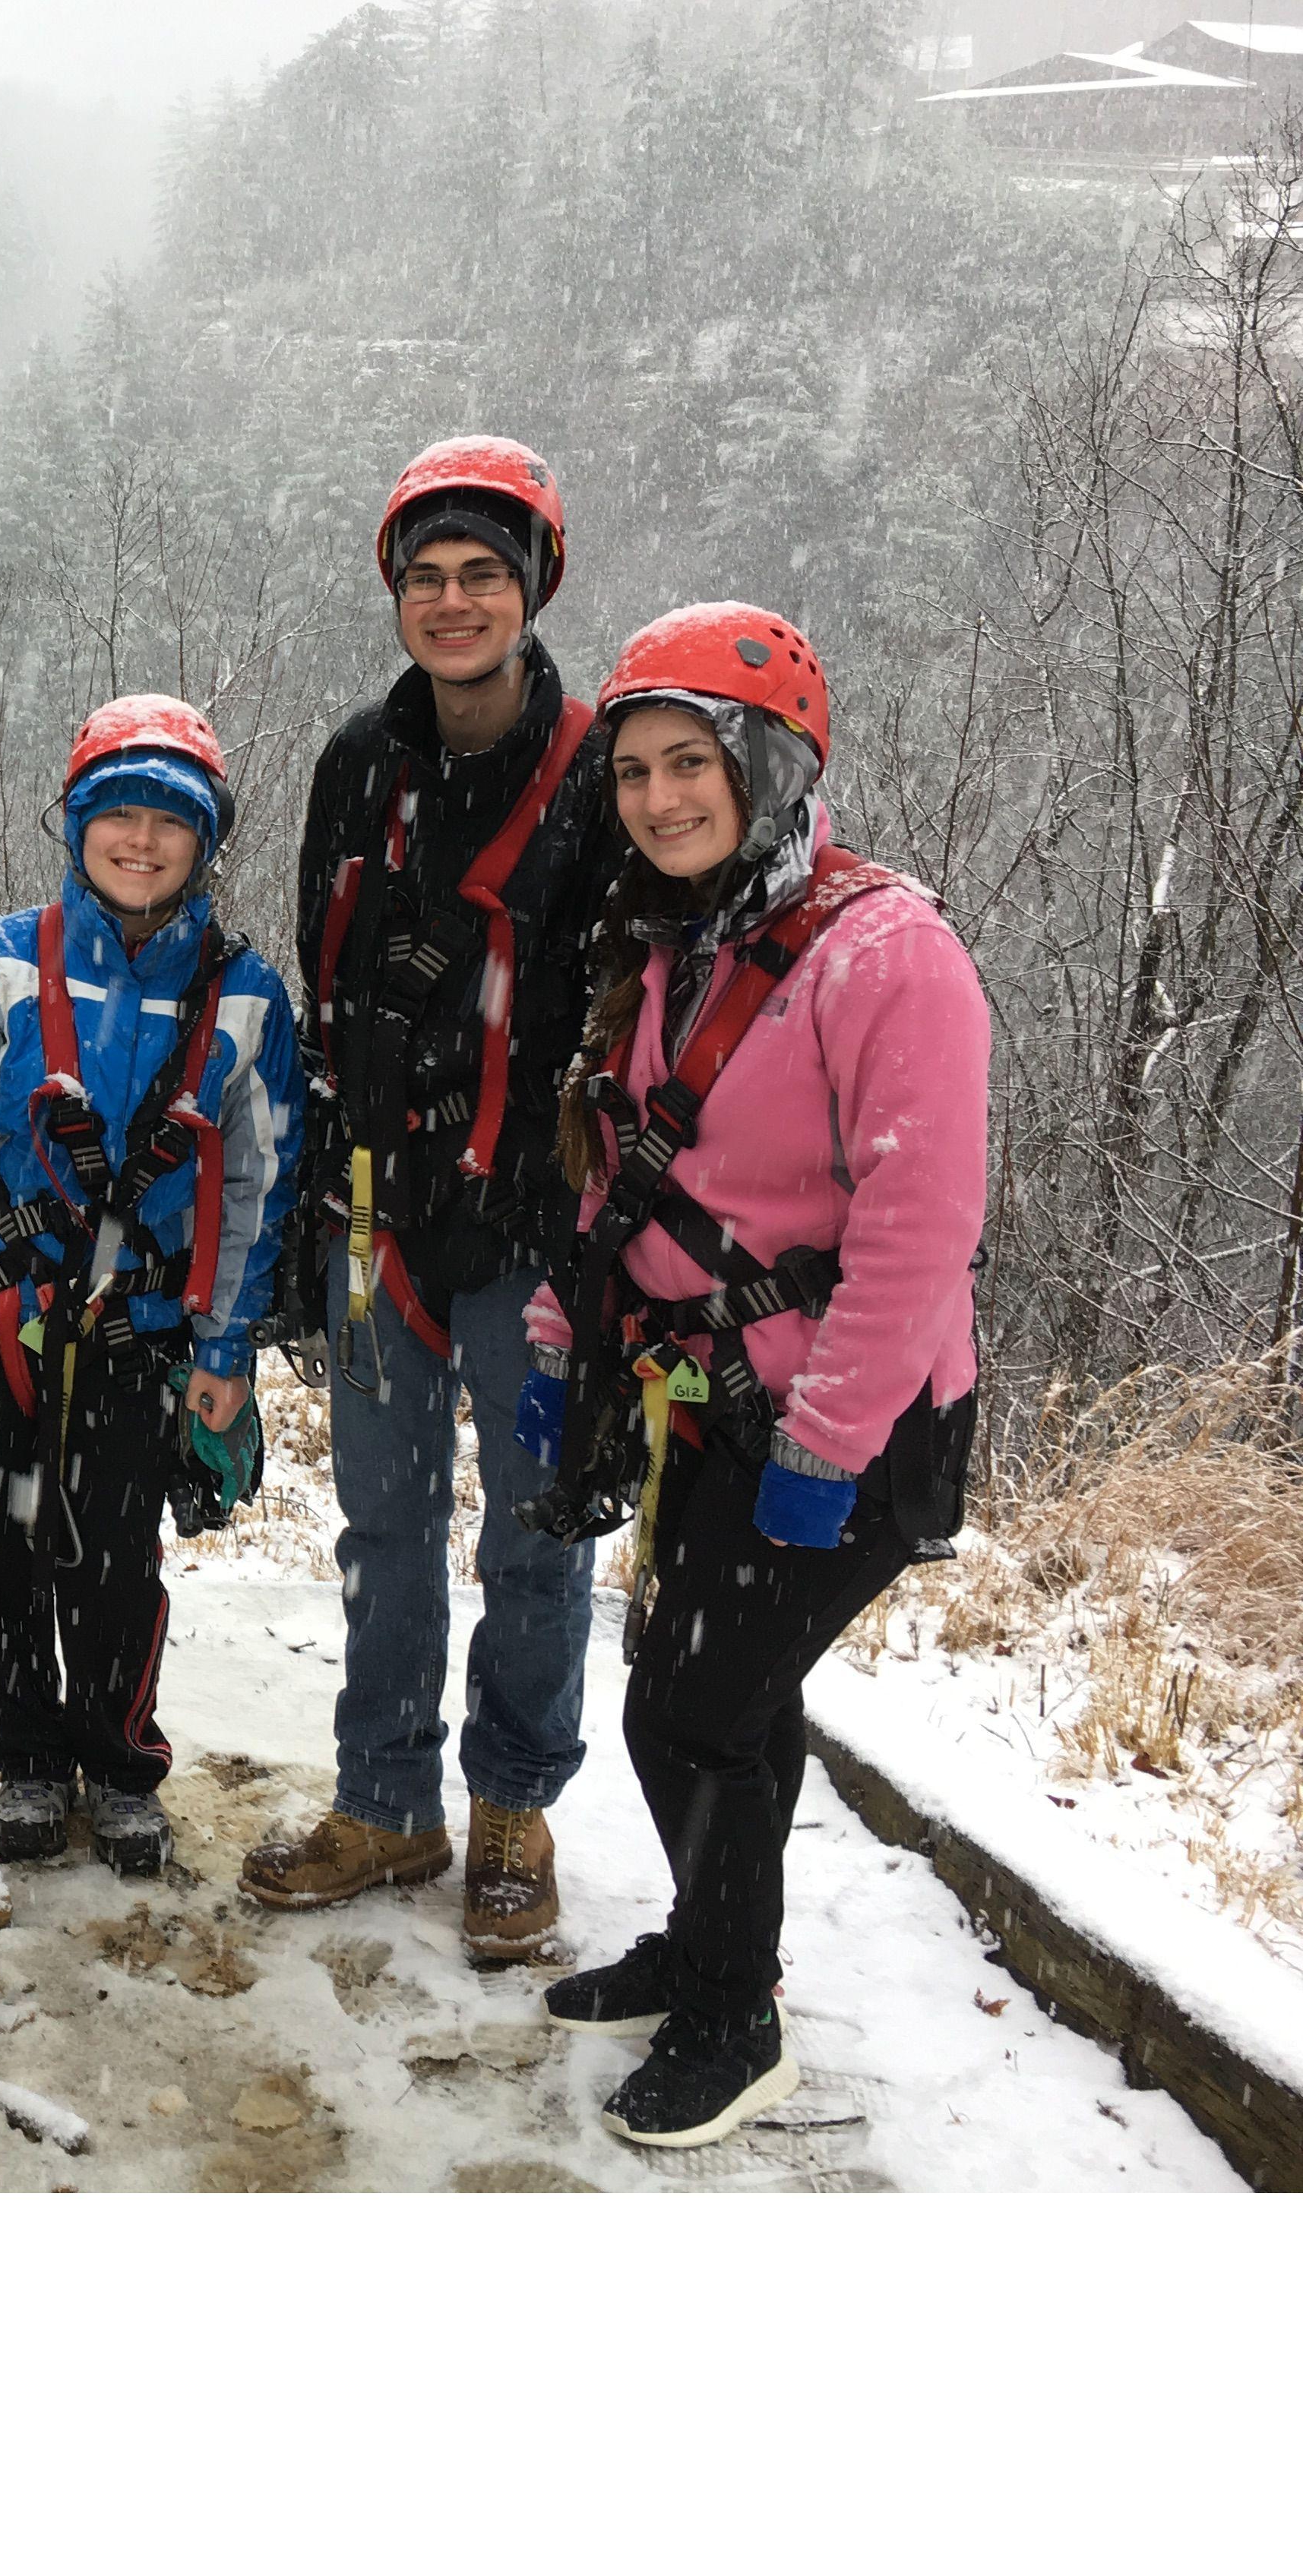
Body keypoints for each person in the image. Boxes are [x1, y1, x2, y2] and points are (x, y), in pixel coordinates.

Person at [514, 603, 986, 2145]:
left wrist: (829, 1446)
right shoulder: (668, 944)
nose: (657, 799)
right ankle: (711, 1948)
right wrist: (556, 1341)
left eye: (692, 763)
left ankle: (736, 2015)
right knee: (717, 1693)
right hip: (711, 1401)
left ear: (769, 766)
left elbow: (920, 1232)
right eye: (635, 771)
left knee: (692, 1706)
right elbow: (622, 1175)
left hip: (846, 1422)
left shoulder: (886, 957)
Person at [242, 437, 626, 1961]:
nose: (454, 603)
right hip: (379, 1218)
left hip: (534, 1230)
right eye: (427, 578)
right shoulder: (361, 765)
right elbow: (326, 992)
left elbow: (624, 1002)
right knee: (384, 1526)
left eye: (483, 576)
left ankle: (512, 1810)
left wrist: (551, 1178)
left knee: (536, 1528)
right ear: (395, 594)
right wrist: (327, 1203)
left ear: (532, 587)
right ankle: (387, 1798)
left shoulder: (603, 767)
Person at [0, 696, 303, 1879]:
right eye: (116, 813)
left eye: (170, 819)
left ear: (205, 840)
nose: (141, 839)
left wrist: (228, 1351)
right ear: (76, 824)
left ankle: (122, 1762)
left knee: (116, 1568)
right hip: (1, 1324)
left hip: (140, 1335)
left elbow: (259, 1186)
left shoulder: (244, 997)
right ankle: (29, 1757)